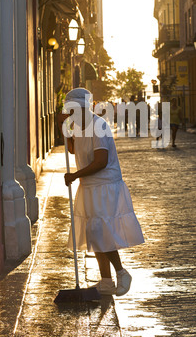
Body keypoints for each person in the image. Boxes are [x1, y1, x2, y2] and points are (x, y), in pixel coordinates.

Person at [61, 88, 144, 297]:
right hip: (90, 186)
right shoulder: (78, 126)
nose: (69, 113)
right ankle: (106, 281)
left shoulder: (98, 126)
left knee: (102, 233)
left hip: (105, 186)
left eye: (72, 110)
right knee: (94, 234)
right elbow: (74, 150)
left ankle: (121, 272)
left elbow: (101, 161)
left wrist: (74, 175)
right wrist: (66, 132)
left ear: (82, 107)